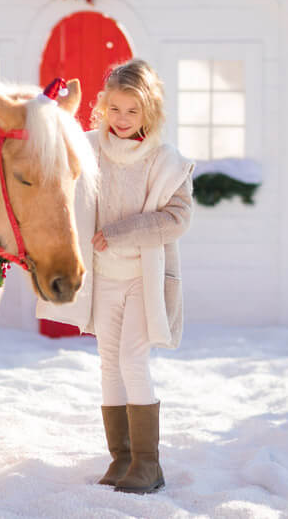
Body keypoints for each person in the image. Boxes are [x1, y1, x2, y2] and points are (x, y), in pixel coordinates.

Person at [38, 58, 194, 494]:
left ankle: (149, 463)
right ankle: (121, 457)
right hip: (103, 279)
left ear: (150, 112)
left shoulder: (165, 162)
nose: (122, 120)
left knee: (132, 360)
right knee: (109, 364)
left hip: (143, 280)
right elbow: (50, 158)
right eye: (115, 109)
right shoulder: (89, 148)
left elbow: (177, 219)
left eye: (133, 111)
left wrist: (122, 233)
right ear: (102, 107)